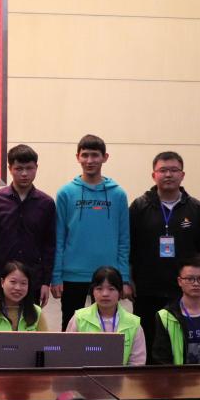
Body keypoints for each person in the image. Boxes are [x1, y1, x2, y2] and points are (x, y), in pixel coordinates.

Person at [130, 151, 200, 350]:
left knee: (181, 343)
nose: (168, 174)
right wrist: (129, 279)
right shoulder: (139, 207)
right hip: (147, 291)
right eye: (163, 170)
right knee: (148, 342)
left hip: (183, 291)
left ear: (182, 175)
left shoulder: (196, 209)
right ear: (154, 175)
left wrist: (199, 278)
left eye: (174, 170)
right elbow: (129, 246)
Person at [52, 134, 130, 331]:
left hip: (108, 275)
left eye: (95, 155)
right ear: (77, 157)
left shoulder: (118, 194)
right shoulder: (65, 193)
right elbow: (59, 237)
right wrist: (57, 276)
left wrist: (124, 277)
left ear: (105, 157)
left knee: (107, 329)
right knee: (71, 328)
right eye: (85, 155)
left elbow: (123, 239)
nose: (89, 160)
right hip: (72, 275)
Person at [0, 144, 55, 308]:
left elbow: (49, 245)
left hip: (33, 280)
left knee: (29, 321)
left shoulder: (46, 203)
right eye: (19, 168)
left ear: (36, 168)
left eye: (29, 168)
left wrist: (46, 282)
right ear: (10, 168)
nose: (24, 174)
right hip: (0, 278)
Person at [67, 266, 145, 366]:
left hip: (122, 375)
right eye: (99, 289)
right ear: (92, 292)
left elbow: (137, 363)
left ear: (120, 292)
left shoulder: (133, 323)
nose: (105, 294)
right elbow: (69, 355)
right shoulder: (79, 318)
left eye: (111, 289)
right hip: (86, 375)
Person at [0, 261, 47, 331]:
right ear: (2, 282)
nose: (18, 288)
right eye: (13, 282)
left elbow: (46, 341)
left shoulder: (37, 313)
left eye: (23, 283)